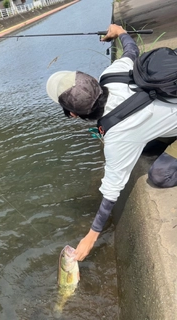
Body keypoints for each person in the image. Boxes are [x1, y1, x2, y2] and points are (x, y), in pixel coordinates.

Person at [46, 24, 177, 261]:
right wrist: (120, 33)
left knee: (160, 175)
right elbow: (131, 52)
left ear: (74, 115)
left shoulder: (118, 136)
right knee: (145, 150)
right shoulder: (111, 75)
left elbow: (111, 190)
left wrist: (92, 235)